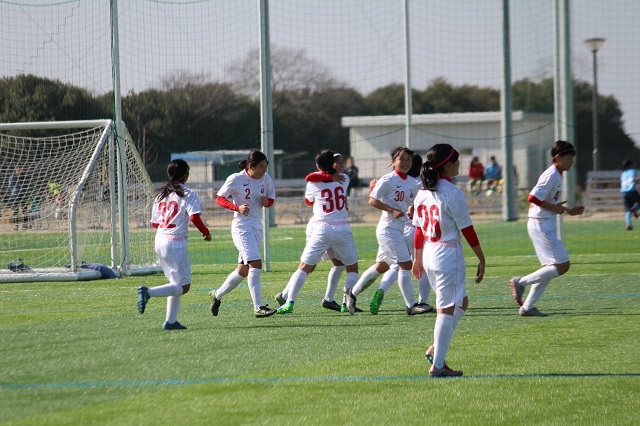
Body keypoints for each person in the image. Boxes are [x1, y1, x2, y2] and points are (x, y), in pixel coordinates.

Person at [411, 143, 486, 377]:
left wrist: (417, 258)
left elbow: (418, 229)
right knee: (445, 310)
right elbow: (467, 229)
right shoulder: (452, 192)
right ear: (449, 164)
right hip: (447, 254)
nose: (460, 164)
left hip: (430, 252)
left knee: (461, 302)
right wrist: (481, 257)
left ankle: (437, 349)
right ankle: (438, 366)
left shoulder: (423, 192)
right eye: (457, 160)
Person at [347, 147, 431, 316]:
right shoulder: (387, 180)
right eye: (401, 159)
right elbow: (372, 200)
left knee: (382, 266)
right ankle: (411, 305)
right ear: (393, 161)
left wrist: (411, 209)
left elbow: (414, 201)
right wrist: (392, 210)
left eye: (408, 159)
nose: (406, 163)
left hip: (399, 229)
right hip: (388, 228)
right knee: (404, 265)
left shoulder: (411, 182)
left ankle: (352, 293)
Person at [275, 150, 360, 315]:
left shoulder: (314, 181)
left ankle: (289, 301)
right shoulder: (344, 178)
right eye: (338, 161)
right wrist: (331, 178)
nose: (341, 164)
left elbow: (309, 198)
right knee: (351, 268)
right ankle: (346, 302)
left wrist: (326, 179)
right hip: (341, 228)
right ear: (331, 165)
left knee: (306, 267)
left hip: (321, 227)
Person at [509, 140, 585, 317]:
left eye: (572, 158)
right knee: (563, 265)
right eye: (569, 158)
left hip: (543, 222)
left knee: (549, 268)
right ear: (558, 158)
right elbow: (532, 197)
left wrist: (566, 210)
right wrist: (556, 208)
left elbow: (548, 202)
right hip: (541, 223)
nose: (572, 161)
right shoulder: (551, 174)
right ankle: (520, 282)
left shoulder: (558, 174)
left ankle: (527, 307)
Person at [137, 159, 212, 330]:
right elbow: (194, 217)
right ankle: (148, 292)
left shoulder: (161, 195)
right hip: (175, 242)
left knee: (174, 282)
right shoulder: (188, 193)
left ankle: (170, 321)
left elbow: (155, 223)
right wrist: (206, 232)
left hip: (160, 239)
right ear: (186, 175)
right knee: (183, 287)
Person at [210, 150, 277, 318]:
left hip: (257, 227)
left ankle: (216, 295)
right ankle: (258, 307)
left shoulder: (266, 179)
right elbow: (219, 198)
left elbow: (271, 199)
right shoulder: (236, 179)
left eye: (266, 166)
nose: (264, 170)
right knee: (256, 264)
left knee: (242, 271)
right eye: (261, 166)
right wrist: (236, 208)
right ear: (250, 166)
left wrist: (266, 202)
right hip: (242, 228)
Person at [8, 165, 31, 230]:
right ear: (16, 169)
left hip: (24, 194)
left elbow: (28, 185)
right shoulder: (12, 177)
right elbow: (10, 186)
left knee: (25, 210)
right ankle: (16, 225)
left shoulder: (25, 177)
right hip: (15, 194)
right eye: (18, 168)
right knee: (15, 210)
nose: (19, 169)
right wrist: (14, 190)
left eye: (20, 168)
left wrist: (25, 190)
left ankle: (24, 224)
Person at [620, 159, 640, 230]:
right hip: (632, 192)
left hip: (624, 193)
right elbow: (633, 180)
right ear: (631, 165)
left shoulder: (623, 174)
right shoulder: (633, 171)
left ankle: (628, 224)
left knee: (627, 210)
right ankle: (633, 210)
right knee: (635, 206)